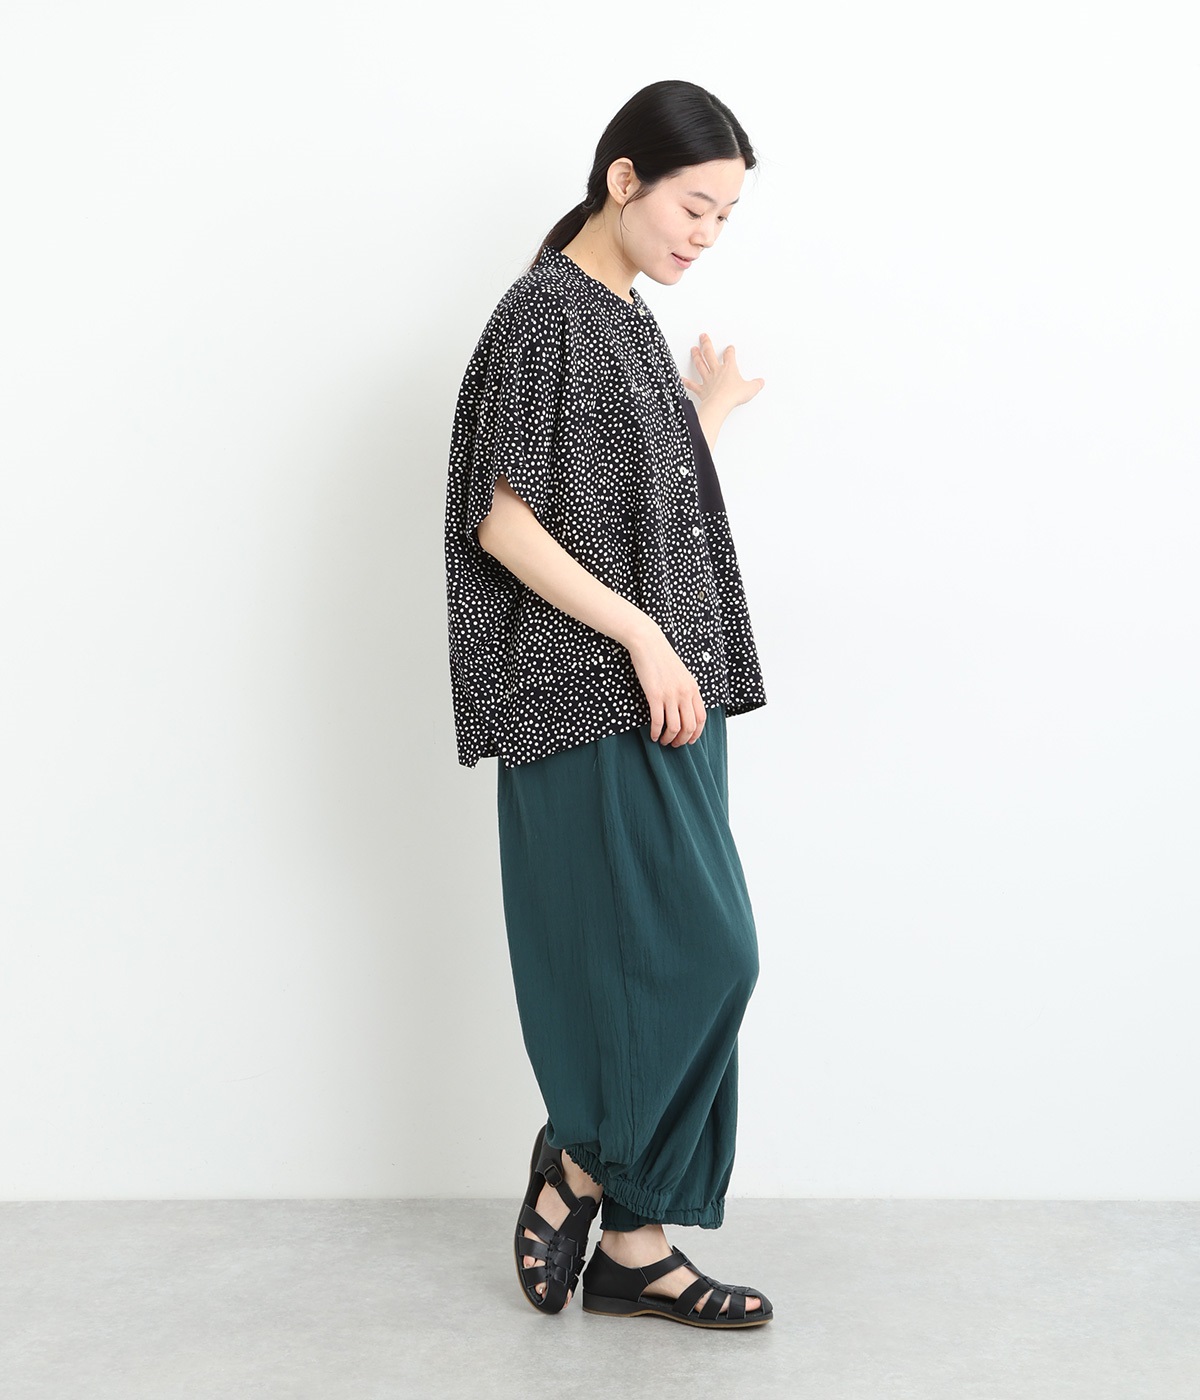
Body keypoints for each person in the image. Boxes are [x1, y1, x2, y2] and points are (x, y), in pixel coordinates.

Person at [442, 79, 772, 1329]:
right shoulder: (545, 315)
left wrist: (707, 416)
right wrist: (641, 635)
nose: (706, 234)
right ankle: (583, 1164)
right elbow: (505, 520)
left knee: (687, 956)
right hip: (586, 689)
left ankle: (633, 1243)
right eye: (695, 205)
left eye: (726, 217)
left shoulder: (627, 318)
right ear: (623, 178)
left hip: (666, 688)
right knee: (687, 956)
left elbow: (635, 509)